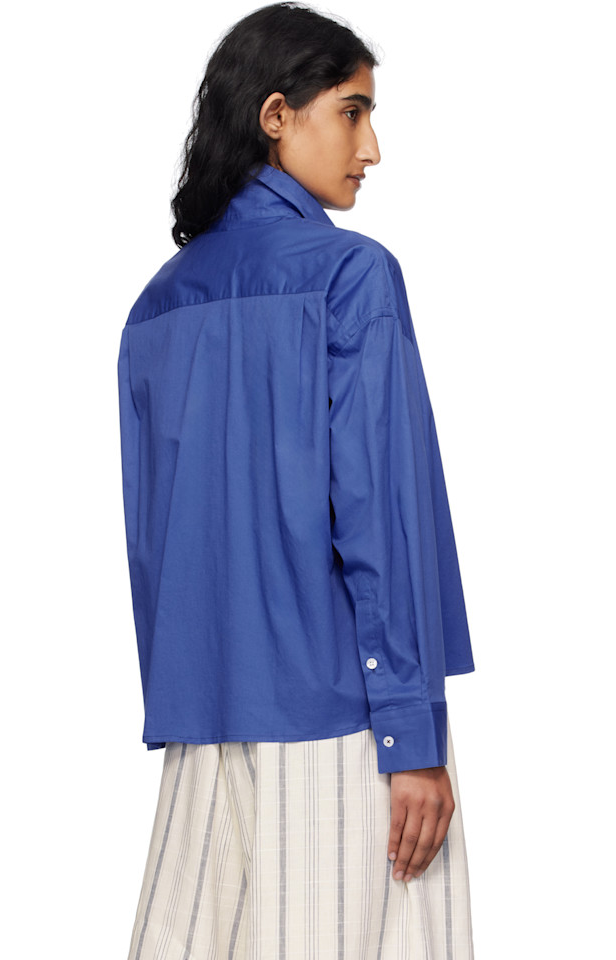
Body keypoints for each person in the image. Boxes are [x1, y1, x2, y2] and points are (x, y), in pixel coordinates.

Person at [117, 3, 476, 958]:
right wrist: (411, 737)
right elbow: (380, 514)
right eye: (352, 112)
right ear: (275, 115)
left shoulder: (157, 304)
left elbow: (152, 545)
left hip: (205, 722)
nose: (372, 148)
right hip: (342, 721)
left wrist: (188, 691)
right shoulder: (351, 276)